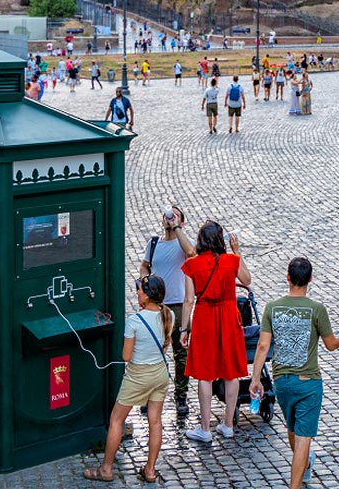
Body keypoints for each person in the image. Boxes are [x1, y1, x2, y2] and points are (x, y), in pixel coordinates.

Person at [250, 257, 339, 489]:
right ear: (310, 279)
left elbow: (262, 346)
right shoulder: (317, 309)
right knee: (302, 438)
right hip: (309, 383)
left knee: (292, 430)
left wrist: (256, 378)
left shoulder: (272, 307)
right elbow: (330, 344)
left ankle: (304, 466)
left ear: (288, 277)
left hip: (282, 382)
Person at [83, 275, 173, 483]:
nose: (137, 292)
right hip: (159, 374)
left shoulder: (134, 321)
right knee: (155, 421)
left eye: (140, 289)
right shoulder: (168, 316)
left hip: (138, 376)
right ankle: (150, 470)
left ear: (148, 295)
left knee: (116, 420)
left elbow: (125, 356)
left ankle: (106, 469)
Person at [181, 222, 252, 442]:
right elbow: (247, 281)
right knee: (231, 371)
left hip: (204, 316)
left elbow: (189, 300)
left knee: (205, 373)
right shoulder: (231, 261)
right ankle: (228, 424)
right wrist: (237, 251)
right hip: (229, 315)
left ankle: (205, 429)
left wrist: (184, 328)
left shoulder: (192, 265)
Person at [139, 207, 195, 416]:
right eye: (167, 215)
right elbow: (144, 266)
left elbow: (191, 253)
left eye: (175, 215)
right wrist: (145, 281)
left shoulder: (183, 241)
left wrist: (177, 228)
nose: (169, 218)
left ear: (182, 221)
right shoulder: (154, 244)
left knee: (181, 354)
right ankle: (151, 393)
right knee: (154, 351)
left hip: (180, 304)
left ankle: (181, 395)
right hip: (157, 305)